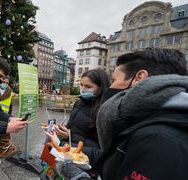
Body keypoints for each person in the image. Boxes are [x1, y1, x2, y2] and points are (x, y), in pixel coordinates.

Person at [55, 48, 188, 180]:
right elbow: (115, 163)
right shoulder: (145, 121)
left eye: (114, 80)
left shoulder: (160, 139)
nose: (111, 86)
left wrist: (78, 177)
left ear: (139, 78)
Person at [53, 68, 110, 148]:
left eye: (88, 86)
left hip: (83, 157)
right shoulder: (79, 103)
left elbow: (101, 148)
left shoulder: (105, 110)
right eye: (81, 84)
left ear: (100, 88)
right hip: (68, 151)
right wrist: (62, 129)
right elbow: (74, 128)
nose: (83, 89)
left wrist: (70, 136)